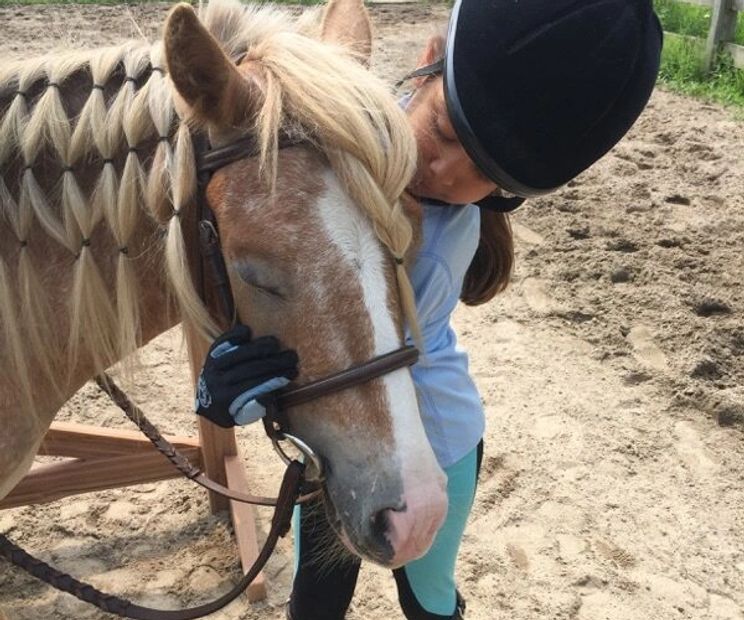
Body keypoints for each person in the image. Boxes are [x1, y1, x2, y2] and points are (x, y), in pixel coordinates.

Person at [194, 1, 663, 618]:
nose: (441, 169)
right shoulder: (353, 157)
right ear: (423, 64)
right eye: (441, 130)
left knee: (429, 600)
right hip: (355, 428)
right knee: (315, 593)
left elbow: (336, 341)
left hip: (430, 440)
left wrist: (244, 395)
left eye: (480, 176)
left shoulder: (435, 246)